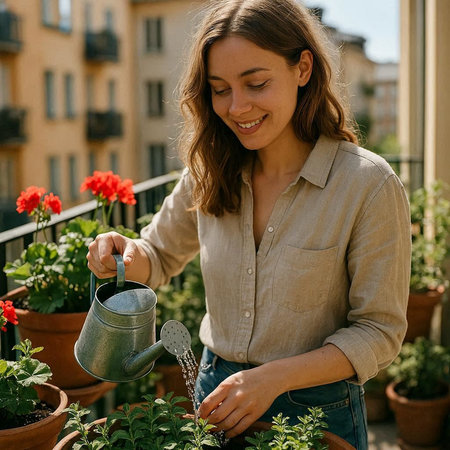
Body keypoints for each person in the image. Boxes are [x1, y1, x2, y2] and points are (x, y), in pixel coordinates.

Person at [87, 0, 411, 448]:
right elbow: (157, 255)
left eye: (256, 83)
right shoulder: (208, 170)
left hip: (317, 410)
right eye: (220, 89)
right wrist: (124, 252)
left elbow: (379, 331)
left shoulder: (368, 185)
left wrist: (271, 379)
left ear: (302, 69)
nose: (237, 107)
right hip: (215, 395)